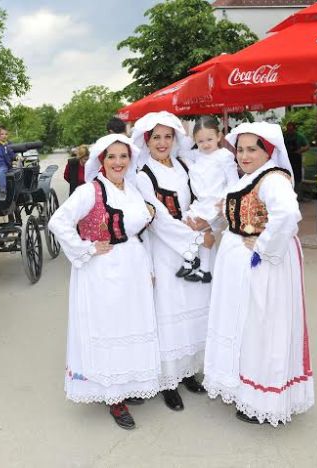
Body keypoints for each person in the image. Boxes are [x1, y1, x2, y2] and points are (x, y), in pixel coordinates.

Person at [47, 134, 161, 430]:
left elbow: (139, 232)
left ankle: (124, 383)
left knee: (130, 324)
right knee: (109, 327)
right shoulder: (90, 191)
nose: (118, 162)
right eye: (112, 157)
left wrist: (147, 266)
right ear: (101, 160)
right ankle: (113, 396)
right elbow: (58, 221)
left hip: (132, 266)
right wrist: (87, 248)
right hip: (103, 271)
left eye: (123, 156)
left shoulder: (133, 190)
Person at [203, 122, 314, 426]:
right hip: (240, 258)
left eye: (253, 149)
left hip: (264, 264)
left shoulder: (273, 179)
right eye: (240, 149)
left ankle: (265, 396)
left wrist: (263, 245)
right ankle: (245, 387)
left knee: (263, 324)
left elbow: (288, 216)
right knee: (244, 323)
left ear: (268, 151)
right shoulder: (249, 178)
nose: (244, 155)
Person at [132, 111, 214, 412]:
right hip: (166, 249)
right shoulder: (143, 175)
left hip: (194, 243)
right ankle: (169, 381)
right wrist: (194, 238)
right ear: (147, 141)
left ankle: (190, 370)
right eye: (157, 137)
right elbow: (158, 220)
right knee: (169, 308)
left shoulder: (184, 165)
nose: (163, 142)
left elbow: (202, 197)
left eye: (168, 136)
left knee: (194, 306)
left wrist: (206, 223)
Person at [176, 117, 239, 283]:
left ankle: (194, 263)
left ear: (219, 136)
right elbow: (180, 152)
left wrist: (225, 200)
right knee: (190, 226)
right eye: (200, 140)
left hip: (216, 204)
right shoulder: (197, 154)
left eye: (209, 139)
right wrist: (190, 138)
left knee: (203, 232)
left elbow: (233, 182)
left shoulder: (224, 156)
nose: (205, 144)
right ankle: (202, 268)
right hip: (200, 202)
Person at [283, 121, 309, 194]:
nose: (289, 131)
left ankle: (297, 195)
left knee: (297, 178)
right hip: (286, 159)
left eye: (291, 130)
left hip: (296, 159)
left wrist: (300, 150)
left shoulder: (300, 136)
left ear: (294, 129)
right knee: (286, 176)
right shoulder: (284, 136)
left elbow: (307, 146)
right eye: (288, 130)